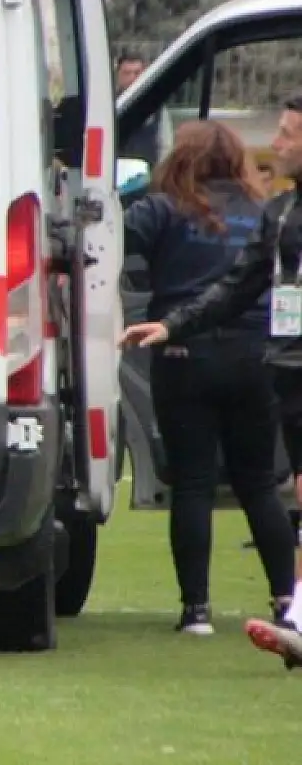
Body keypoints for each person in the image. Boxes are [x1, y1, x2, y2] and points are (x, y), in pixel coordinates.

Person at [122, 102, 302, 670]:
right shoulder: (266, 209)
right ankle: (286, 600)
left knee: (194, 482)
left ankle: (196, 608)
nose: (274, 142)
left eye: (286, 132)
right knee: (260, 484)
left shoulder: (166, 208)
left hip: (188, 356)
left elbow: (111, 234)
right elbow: (243, 282)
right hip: (257, 358)